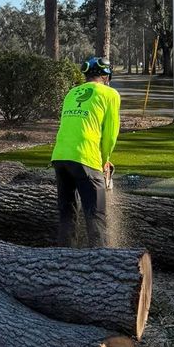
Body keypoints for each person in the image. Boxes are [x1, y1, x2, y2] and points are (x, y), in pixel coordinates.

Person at [50, 56, 120, 247]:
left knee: (67, 213)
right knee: (96, 214)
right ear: (106, 76)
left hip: (60, 157)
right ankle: (100, 258)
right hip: (86, 157)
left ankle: (65, 256)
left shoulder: (72, 93)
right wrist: (104, 161)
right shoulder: (110, 94)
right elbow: (110, 135)